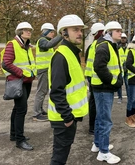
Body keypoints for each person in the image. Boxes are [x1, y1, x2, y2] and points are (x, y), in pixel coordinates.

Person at [48, 15, 89, 165]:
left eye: (81, 30)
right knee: (59, 158)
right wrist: (67, 117)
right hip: (63, 119)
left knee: (61, 155)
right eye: (75, 30)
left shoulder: (72, 53)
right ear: (64, 33)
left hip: (68, 116)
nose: (80, 33)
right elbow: (56, 91)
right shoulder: (61, 56)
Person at [91, 21, 123, 164]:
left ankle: (98, 144)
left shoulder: (108, 44)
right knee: (105, 120)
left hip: (102, 88)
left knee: (100, 118)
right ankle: (104, 152)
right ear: (109, 32)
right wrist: (113, 81)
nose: (120, 33)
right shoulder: (105, 46)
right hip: (104, 88)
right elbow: (99, 66)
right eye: (117, 30)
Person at [1, 22, 36, 150]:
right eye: (26, 30)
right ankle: (19, 140)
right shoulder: (13, 44)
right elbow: (6, 63)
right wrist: (21, 73)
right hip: (19, 81)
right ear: (20, 31)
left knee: (17, 109)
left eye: (30, 30)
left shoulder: (26, 46)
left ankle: (14, 134)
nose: (29, 32)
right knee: (22, 110)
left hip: (26, 81)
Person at [33, 23, 62, 122]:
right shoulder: (42, 41)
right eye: (51, 32)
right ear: (45, 32)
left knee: (43, 91)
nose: (53, 34)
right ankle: (36, 114)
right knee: (41, 92)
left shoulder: (45, 41)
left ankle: (40, 110)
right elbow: (49, 45)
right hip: (43, 70)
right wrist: (61, 36)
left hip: (46, 70)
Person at [84, 22, 105, 135]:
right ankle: (93, 126)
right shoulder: (98, 46)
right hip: (95, 78)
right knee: (95, 103)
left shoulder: (92, 46)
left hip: (91, 77)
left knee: (93, 102)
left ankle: (92, 126)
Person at [117, 32, 129, 103]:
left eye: (124, 38)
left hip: (127, 69)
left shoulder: (129, 48)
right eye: (122, 38)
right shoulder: (118, 47)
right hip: (120, 68)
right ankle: (119, 97)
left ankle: (128, 96)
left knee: (128, 84)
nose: (123, 39)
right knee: (119, 84)